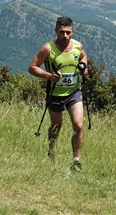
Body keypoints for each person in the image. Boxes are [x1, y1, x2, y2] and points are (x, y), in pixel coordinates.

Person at [28, 16, 88, 171]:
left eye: (68, 32)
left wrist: (83, 67)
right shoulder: (48, 48)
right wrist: (49, 76)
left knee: (78, 125)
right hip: (55, 93)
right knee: (56, 126)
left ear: (72, 32)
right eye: (62, 32)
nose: (65, 36)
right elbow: (32, 67)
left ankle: (76, 160)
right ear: (56, 31)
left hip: (74, 91)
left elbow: (83, 57)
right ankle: (51, 148)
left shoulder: (77, 46)